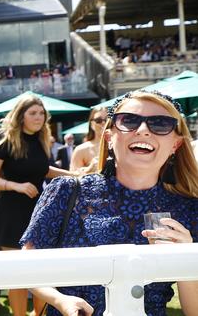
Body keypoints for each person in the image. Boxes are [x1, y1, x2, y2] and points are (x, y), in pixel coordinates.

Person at [22, 90, 198, 316]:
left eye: (161, 124)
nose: (143, 130)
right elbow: (28, 264)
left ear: (176, 145)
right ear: (109, 138)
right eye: (129, 121)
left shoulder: (189, 209)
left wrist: (188, 261)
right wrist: (61, 300)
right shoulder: (67, 191)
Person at [0, 94, 71, 316]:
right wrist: (17, 186)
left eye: (42, 113)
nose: (39, 117)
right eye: (33, 113)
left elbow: (43, 169)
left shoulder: (42, 139)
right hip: (10, 214)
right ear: (21, 116)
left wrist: (75, 174)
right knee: (18, 275)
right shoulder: (5, 138)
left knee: (41, 272)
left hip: (37, 212)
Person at [70, 106, 108, 173]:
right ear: (91, 124)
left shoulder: (121, 146)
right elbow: (72, 178)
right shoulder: (81, 150)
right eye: (98, 120)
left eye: (107, 119)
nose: (103, 123)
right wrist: (89, 169)